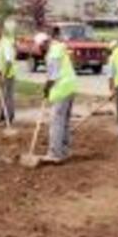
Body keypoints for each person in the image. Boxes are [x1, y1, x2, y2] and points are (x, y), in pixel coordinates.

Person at [37, 26, 78, 165]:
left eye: (40, 47)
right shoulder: (59, 48)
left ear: (43, 44)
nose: (40, 50)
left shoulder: (53, 53)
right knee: (64, 121)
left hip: (61, 89)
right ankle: (64, 151)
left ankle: (55, 153)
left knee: (56, 122)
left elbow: (53, 76)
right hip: (70, 87)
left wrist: (46, 89)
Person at [0, 25, 17, 124]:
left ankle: (9, 116)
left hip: (8, 73)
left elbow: (9, 61)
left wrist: (4, 76)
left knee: (8, 95)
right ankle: (2, 115)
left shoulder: (6, 44)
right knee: (1, 94)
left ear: (0, 33)